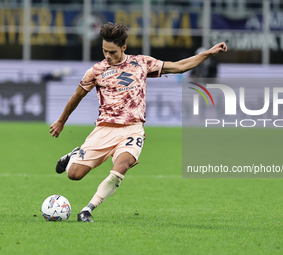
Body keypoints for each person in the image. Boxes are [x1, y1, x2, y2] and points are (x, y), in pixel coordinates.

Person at [49, 22, 227, 222]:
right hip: (104, 128)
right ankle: (74, 155)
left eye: (112, 52)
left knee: (121, 166)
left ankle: (87, 209)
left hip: (133, 129)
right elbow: (77, 96)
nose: (107, 56)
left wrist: (208, 53)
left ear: (123, 47)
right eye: (104, 51)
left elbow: (179, 67)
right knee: (74, 174)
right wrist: (61, 121)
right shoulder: (96, 71)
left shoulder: (141, 63)